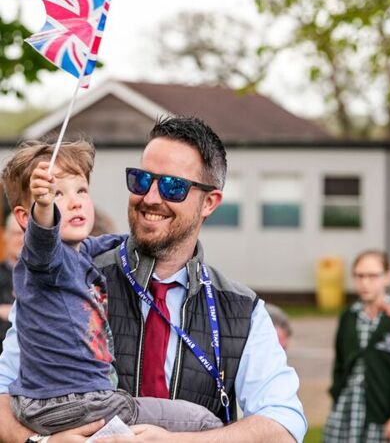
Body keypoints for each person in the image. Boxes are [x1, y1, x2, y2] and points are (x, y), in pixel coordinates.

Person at [0, 116, 307, 443]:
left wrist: (178, 442)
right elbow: (3, 395)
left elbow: (283, 426)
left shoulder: (243, 310)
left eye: (173, 186)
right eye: (142, 180)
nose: (150, 197)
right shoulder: (65, 278)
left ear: (210, 202)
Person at [0, 139, 222, 438]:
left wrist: (145, 236)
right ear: (25, 218)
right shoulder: (42, 259)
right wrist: (43, 205)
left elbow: (106, 242)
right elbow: (43, 236)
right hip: (79, 401)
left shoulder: (78, 251)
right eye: (58, 195)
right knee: (203, 421)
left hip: (51, 403)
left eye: (81, 190)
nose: (76, 201)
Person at [323, 249, 390, 443]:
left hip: (382, 415)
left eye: (373, 276)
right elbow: (340, 363)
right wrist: (336, 392)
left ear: (388, 277)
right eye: (359, 276)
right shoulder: (348, 316)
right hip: (346, 410)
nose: (365, 282)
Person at [0, 213, 23, 353]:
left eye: (25, 233)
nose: (22, 239)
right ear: (6, 237)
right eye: (16, 233)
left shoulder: (42, 277)